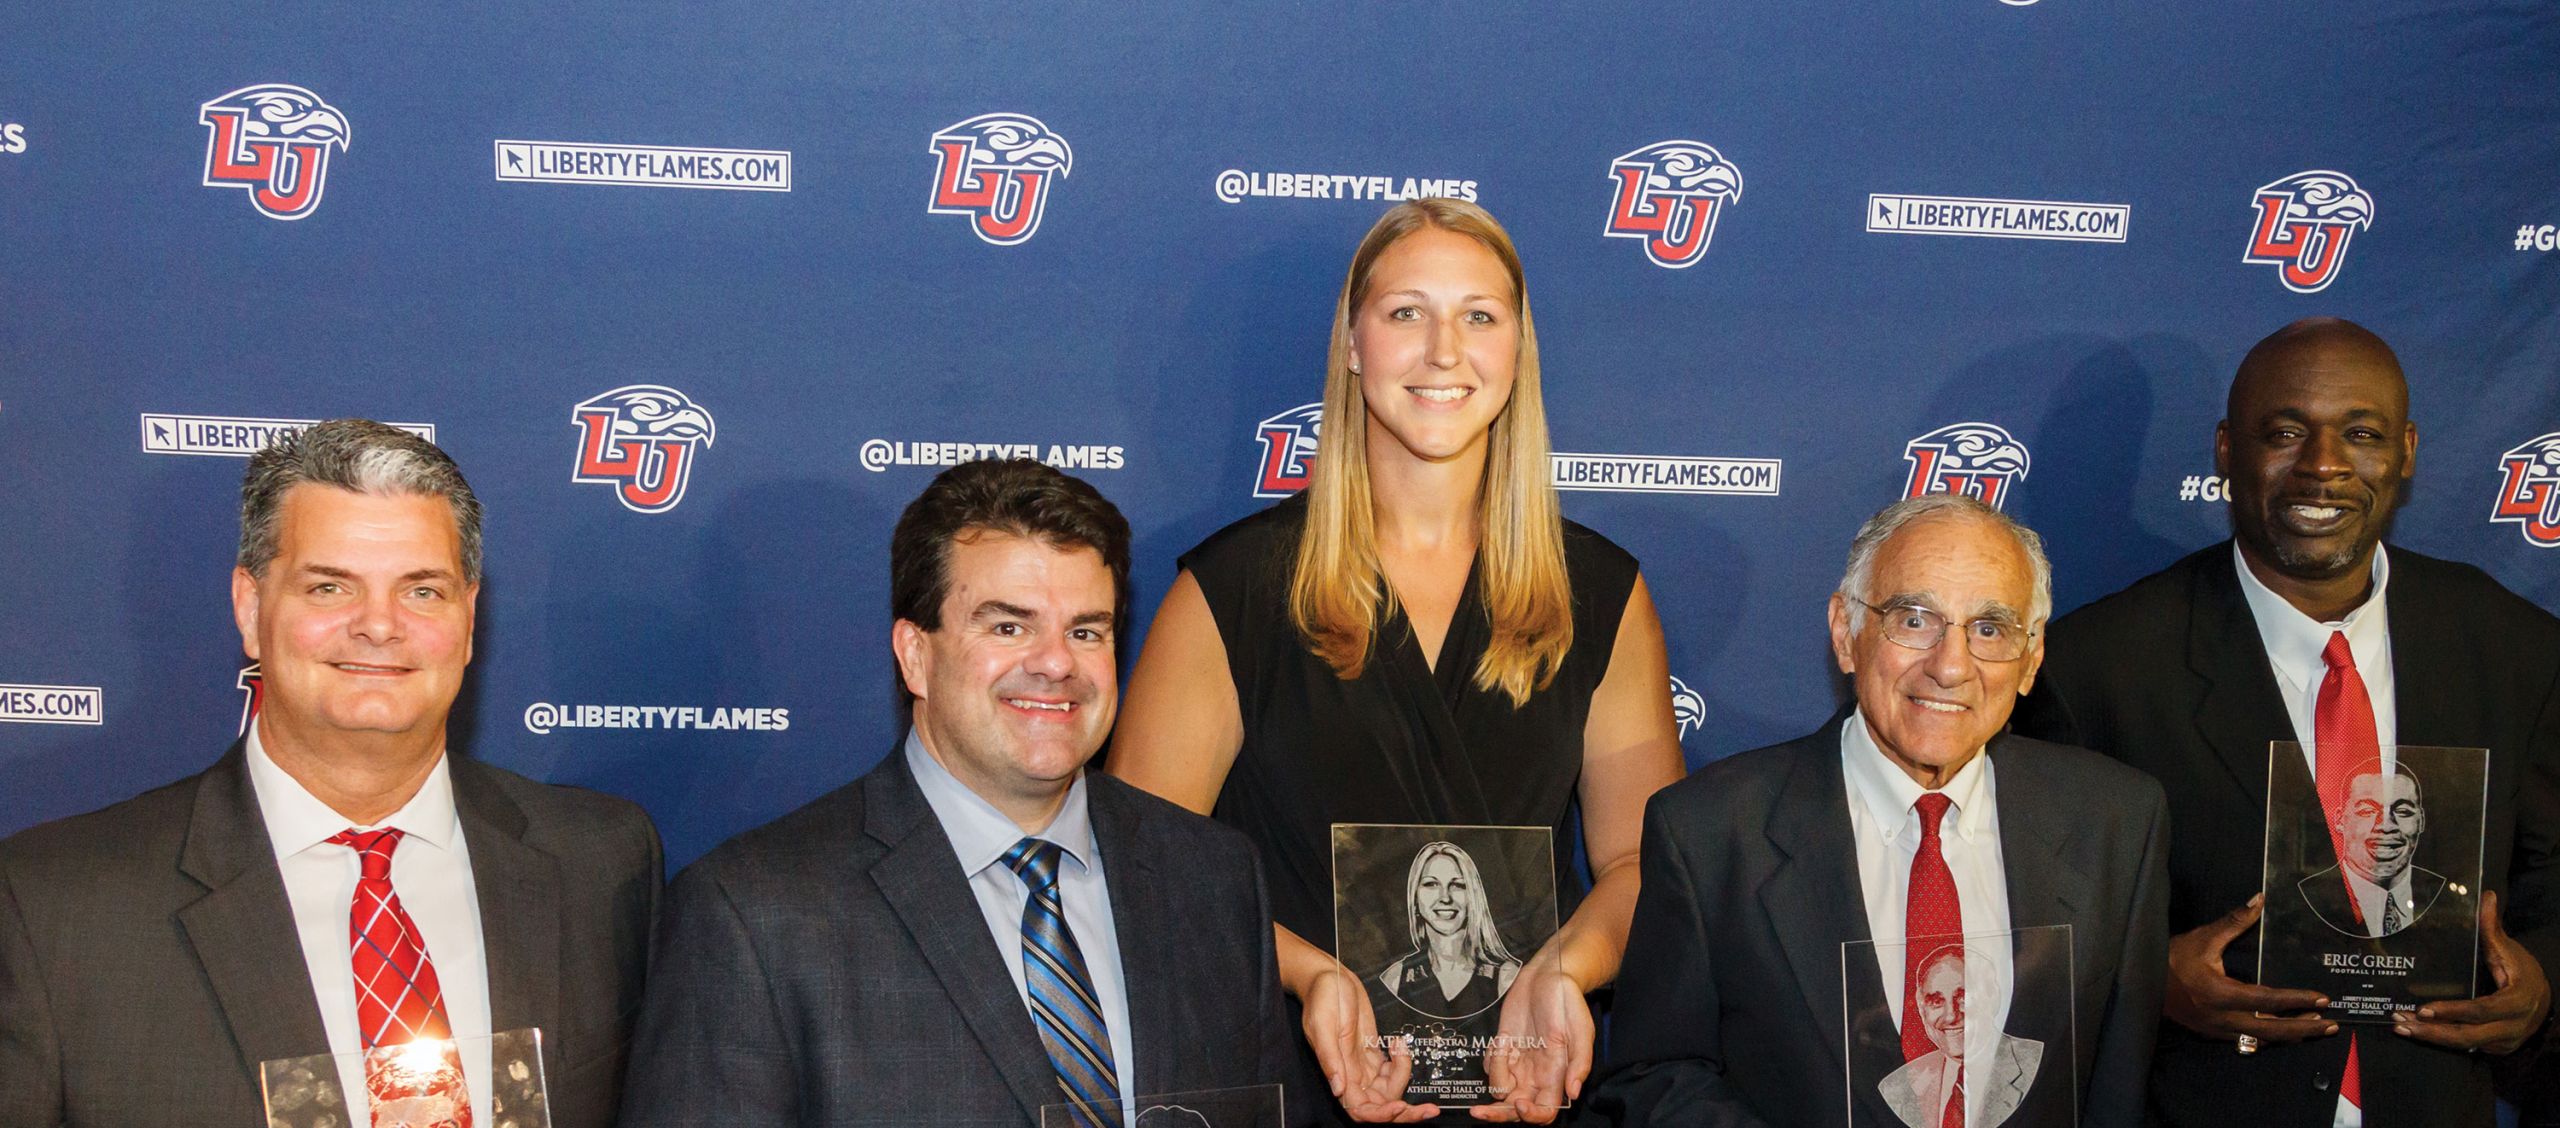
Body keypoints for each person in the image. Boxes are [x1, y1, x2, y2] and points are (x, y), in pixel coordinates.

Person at [1110, 198, 1685, 1123]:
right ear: (1351, 343)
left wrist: (1564, 971)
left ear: (1517, 350)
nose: (1444, 350)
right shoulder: (1232, 591)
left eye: (1479, 316)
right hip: (1293, 1087)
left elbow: (1638, 861)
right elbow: (1135, 867)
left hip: (1522, 1092)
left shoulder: (1601, 592)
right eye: (1406, 312)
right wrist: (1308, 977)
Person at [0, 419, 662, 1128]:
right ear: (251, 610)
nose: (379, 625)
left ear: (469, 621)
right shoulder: (52, 909)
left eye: (422, 591)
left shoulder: (602, 862)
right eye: (329, 587)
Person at [618, 458, 1300, 1126]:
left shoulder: (1215, 880)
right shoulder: (756, 915)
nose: (1057, 663)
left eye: (1086, 631)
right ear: (915, 655)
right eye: (1009, 626)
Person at [2010, 317, 2560, 1127]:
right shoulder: (2098, 668)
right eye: (2286, 432)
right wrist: (2147, 979)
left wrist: (2543, 980)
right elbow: (2023, 918)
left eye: (2361, 433)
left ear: (2406, 452)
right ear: (2228, 451)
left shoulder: (2512, 645)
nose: (2325, 465)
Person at [1586, 494, 2168, 1128]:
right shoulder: (1711, 830)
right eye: (1915, 619)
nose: (1950, 666)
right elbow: (1655, 1077)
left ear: (2030, 662)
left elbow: (2117, 1086)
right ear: (1846, 633)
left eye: (1990, 629)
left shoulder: (2118, 822)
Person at [1878, 946, 2044, 1128]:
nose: (1951, 1016)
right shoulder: (1897, 1088)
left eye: (1964, 997)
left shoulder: (2039, 1061)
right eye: (1936, 1001)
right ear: (1921, 1006)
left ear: (1993, 996)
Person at [1374, 841, 1523, 1021]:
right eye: (1431, 884)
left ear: (1473, 898)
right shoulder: (1396, 977)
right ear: (1415, 899)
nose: (1445, 897)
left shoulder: (1506, 977)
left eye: (1458, 885)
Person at [2295, 761, 2445, 939]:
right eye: (2367, 811)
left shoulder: (2444, 898)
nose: (2386, 825)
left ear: (2420, 821)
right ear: (2339, 820)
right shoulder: (2305, 899)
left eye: (2403, 811)